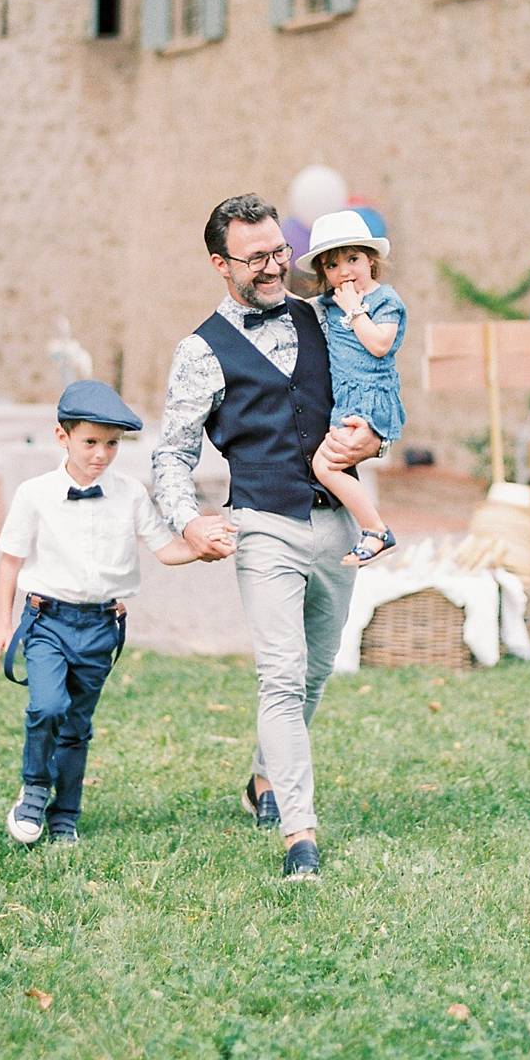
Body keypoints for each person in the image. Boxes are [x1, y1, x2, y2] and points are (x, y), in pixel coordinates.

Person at [153, 193, 383, 880]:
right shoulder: (200, 350)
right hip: (262, 525)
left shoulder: (322, 318)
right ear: (221, 264)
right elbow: (172, 452)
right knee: (280, 674)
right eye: (257, 258)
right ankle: (299, 833)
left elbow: (368, 392)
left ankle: (261, 777)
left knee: (313, 672)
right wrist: (188, 519)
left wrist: (374, 437)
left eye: (280, 250)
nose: (275, 266)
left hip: (337, 523)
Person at [0, 379, 201, 846]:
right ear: (63, 437)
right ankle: (35, 787)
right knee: (47, 706)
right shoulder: (34, 493)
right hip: (47, 622)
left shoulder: (131, 494)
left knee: (77, 725)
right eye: (90, 442)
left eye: (112, 444)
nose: (101, 454)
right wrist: (2, 626)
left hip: (100, 626)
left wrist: (204, 546)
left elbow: (165, 549)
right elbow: (11, 561)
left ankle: (65, 814)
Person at [299, 209, 407, 566]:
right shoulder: (330, 304)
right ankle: (364, 531)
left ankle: (375, 530)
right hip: (344, 402)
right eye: (332, 266)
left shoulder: (384, 301)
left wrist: (355, 309)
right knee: (333, 466)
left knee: (325, 466)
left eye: (353, 259)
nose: (344, 272)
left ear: (371, 260)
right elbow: (298, 308)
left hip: (372, 401)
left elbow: (379, 345)